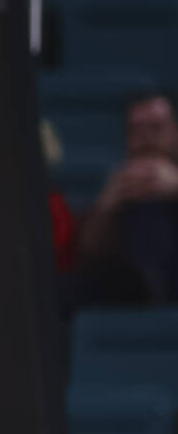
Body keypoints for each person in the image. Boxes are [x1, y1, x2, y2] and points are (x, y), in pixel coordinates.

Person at [77, 88, 178, 304]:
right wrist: (106, 205)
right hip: (126, 292)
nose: (146, 139)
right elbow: (88, 251)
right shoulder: (118, 186)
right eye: (136, 130)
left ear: (175, 131)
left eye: (156, 128)